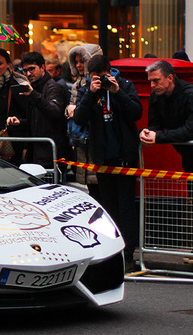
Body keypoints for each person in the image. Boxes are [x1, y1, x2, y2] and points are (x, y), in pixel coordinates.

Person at [73, 55, 142, 269]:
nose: (98, 81)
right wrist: (90, 94)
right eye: (92, 78)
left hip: (125, 157)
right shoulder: (88, 91)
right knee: (109, 209)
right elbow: (79, 119)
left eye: (100, 77)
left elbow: (136, 113)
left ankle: (128, 254)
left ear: (109, 72)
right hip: (103, 158)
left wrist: (117, 92)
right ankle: (112, 254)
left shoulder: (124, 86)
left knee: (126, 207)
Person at [140, 60, 193, 253]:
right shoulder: (156, 96)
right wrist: (146, 133)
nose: (152, 86)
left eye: (156, 81)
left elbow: (192, 130)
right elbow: (154, 125)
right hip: (191, 158)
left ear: (170, 78)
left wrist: (158, 137)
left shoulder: (192, 94)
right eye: (150, 81)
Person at [6, 51, 69, 168]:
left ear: (42, 67)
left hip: (51, 154)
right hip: (37, 153)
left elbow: (54, 112)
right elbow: (37, 119)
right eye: (25, 71)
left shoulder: (52, 87)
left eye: (32, 69)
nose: (28, 73)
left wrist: (34, 95)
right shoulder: (34, 87)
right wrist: (20, 122)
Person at [67, 44, 103, 198]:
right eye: (76, 62)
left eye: (82, 61)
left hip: (95, 139)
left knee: (100, 187)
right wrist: (69, 109)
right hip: (82, 140)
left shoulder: (96, 82)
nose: (79, 65)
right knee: (91, 188)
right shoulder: (77, 84)